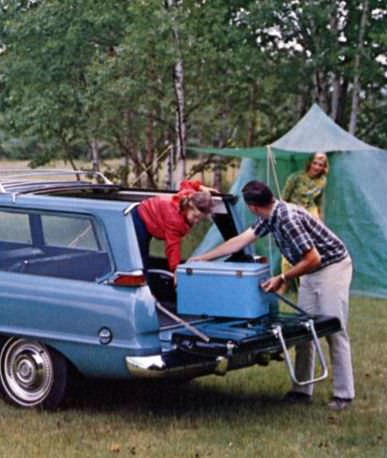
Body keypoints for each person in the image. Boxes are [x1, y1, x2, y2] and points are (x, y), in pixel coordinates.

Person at [191, 180, 354, 411]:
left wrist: (283, 278)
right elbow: (239, 241)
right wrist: (203, 258)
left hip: (331, 266)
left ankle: (344, 395)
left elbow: (314, 258)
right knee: (304, 330)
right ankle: (301, 391)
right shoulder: (269, 215)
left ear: (253, 207)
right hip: (309, 268)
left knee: (334, 328)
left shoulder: (287, 219)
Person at [133, 179, 215, 281]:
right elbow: (173, 247)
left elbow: (186, 183)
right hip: (141, 218)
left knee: (143, 257)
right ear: (189, 207)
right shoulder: (175, 219)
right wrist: (175, 270)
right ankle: (143, 288)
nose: (197, 221)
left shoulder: (189, 195)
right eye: (195, 217)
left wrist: (201, 188)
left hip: (152, 212)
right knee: (140, 260)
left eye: (200, 219)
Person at [280, 153, 329, 289]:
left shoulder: (323, 180)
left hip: (311, 214)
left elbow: (319, 202)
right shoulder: (295, 177)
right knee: (290, 247)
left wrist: (320, 219)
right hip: (294, 212)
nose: (317, 167)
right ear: (310, 163)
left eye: (321, 165)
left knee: (311, 250)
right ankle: (284, 284)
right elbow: (283, 199)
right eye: (315, 163)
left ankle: (306, 285)